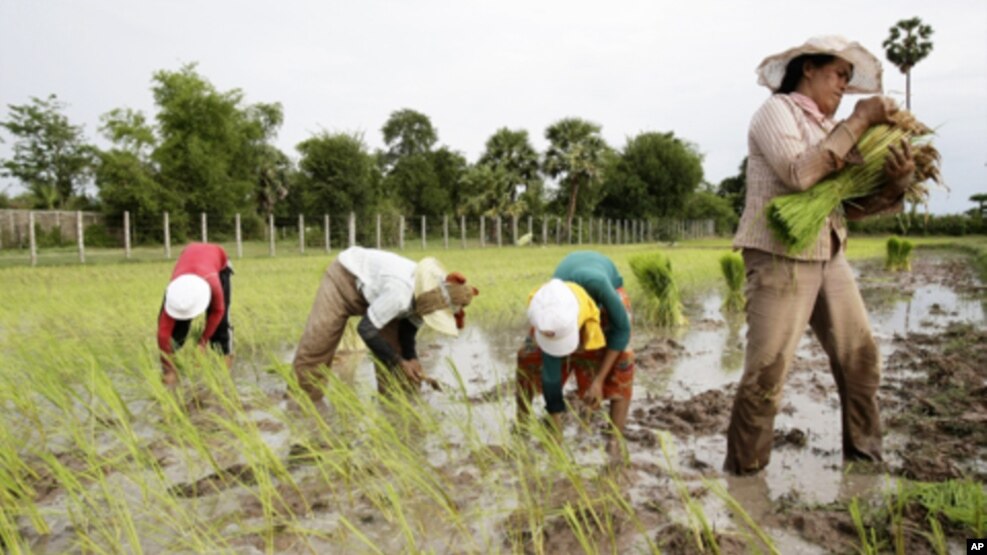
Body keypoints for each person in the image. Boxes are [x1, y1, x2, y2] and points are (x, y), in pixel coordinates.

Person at [724, 36, 915, 474]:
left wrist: (895, 185)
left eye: (850, 81)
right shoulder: (778, 112)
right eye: (838, 75)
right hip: (778, 256)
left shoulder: (834, 132)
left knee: (861, 359)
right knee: (766, 375)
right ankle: (745, 475)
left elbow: (850, 209)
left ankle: (865, 461)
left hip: (829, 254)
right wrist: (862, 118)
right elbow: (799, 173)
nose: (844, 88)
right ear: (808, 68)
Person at [293, 246, 478, 401]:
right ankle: (302, 405)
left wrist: (410, 357)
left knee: (399, 371)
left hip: (380, 294)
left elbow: (408, 329)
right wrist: (400, 362)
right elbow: (366, 330)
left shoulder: (428, 298)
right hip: (344, 279)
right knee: (318, 344)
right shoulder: (400, 294)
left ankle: (398, 411)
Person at [517, 251, 634, 461]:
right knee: (528, 356)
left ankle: (614, 439)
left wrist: (598, 380)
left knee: (623, 358)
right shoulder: (545, 307)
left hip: (604, 288)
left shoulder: (598, 285)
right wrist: (557, 433)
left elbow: (622, 330)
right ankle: (522, 425)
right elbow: (550, 376)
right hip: (562, 301)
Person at [157, 242, 234, 387]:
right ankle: (173, 374)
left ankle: (224, 379)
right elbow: (163, 334)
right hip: (189, 264)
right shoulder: (174, 292)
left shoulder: (213, 282)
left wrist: (202, 342)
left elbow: (218, 311)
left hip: (217, 263)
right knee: (175, 335)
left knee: (221, 328)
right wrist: (168, 367)